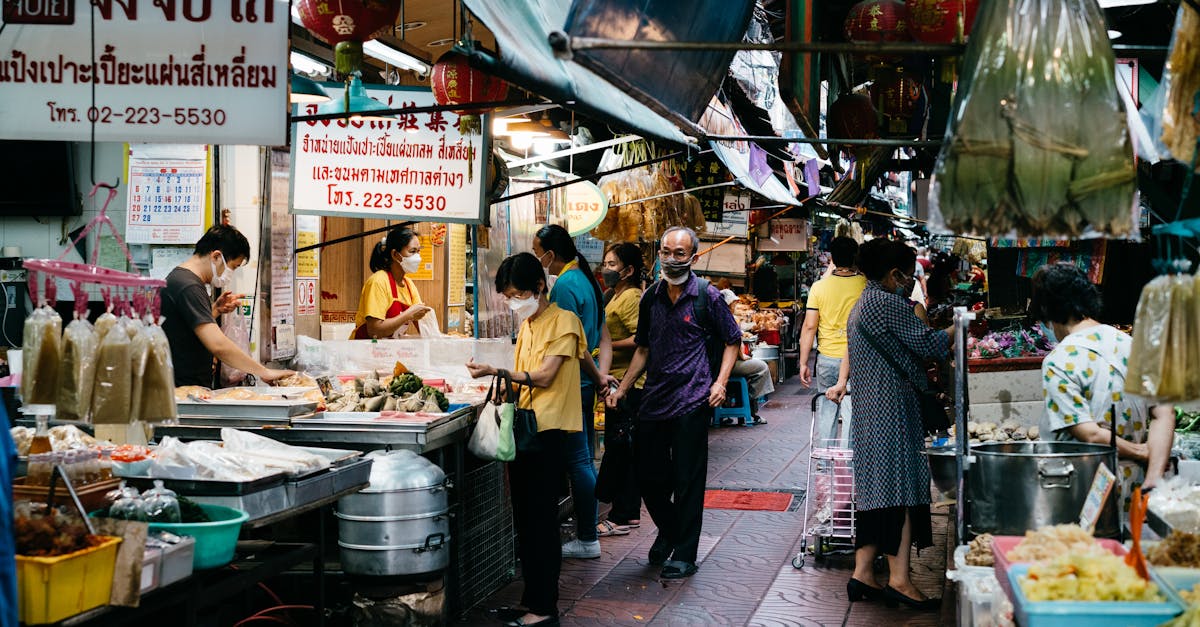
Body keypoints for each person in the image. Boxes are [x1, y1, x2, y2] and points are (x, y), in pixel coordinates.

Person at [465, 252, 602, 627]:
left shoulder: (564, 320)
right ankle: (532, 600)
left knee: (541, 521)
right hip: (525, 428)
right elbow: (584, 358)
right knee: (525, 519)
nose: (513, 302)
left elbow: (543, 376)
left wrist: (498, 370)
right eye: (508, 296)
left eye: (518, 294)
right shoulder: (528, 325)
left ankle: (544, 609)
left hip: (549, 431)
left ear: (540, 287)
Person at [607, 226, 741, 580]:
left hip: (693, 400)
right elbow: (644, 348)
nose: (670, 258)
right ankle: (669, 530)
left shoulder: (707, 296)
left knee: (687, 481)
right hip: (653, 400)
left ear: (694, 257)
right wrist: (624, 387)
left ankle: (685, 552)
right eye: (666, 251)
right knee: (649, 478)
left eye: (679, 253)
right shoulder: (650, 296)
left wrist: (721, 382)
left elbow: (732, 340)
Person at [841, 238, 950, 610]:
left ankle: (863, 574)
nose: (910, 281)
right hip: (892, 412)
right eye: (907, 274)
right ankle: (901, 581)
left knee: (875, 494)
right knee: (900, 493)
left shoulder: (863, 303)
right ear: (894, 274)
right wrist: (962, 328)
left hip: (870, 412)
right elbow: (930, 345)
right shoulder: (887, 303)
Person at [1029, 263, 1174, 496]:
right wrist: (1153, 478)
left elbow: (1090, 433)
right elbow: (1164, 411)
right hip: (1136, 489)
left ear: (1047, 310)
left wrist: (1141, 452)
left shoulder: (1058, 360)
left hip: (1083, 488)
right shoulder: (1134, 345)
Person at [531, 224, 616, 559]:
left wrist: (596, 377)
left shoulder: (566, 284)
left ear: (550, 254)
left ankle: (586, 536)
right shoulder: (584, 277)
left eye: (538, 251)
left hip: (572, 383)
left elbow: (573, 344)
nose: (538, 257)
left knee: (579, 461)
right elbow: (602, 335)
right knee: (581, 458)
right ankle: (585, 532)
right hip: (585, 380)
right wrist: (601, 375)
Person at [162, 225, 293, 387]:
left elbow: (186, 329)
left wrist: (215, 310)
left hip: (186, 387)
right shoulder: (188, 286)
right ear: (216, 256)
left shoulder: (183, 280)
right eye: (233, 266)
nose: (231, 273)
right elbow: (218, 345)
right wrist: (264, 372)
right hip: (182, 391)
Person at [596, 243, 646, 532]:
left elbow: (640, 339)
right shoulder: (613, 295)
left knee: (623, 448)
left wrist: (606, 346)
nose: (607, 269)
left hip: (629, 383)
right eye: (605, 263)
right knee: (619, 445)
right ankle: (623, 511)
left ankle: (623, 514)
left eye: (612, 264)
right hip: (614, 380)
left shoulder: (631, 298)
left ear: (628, 270)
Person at [799, 236, 866, 443]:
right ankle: (849, 462)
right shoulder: (865, 285)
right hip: (857, 359)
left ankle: (824, 464)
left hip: (826, 358)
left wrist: (803, 363)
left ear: (833, 258)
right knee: (852, 411)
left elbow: (810, 326)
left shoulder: (819, 287)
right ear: (855, 257)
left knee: (827, 409)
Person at [351, 228, 433, 339]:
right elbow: (374, 331)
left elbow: (423, 326)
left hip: (390, 352)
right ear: (395, 254)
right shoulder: (378, 281)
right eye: (412, 251)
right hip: (366, 351)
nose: (418, 257)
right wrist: (408, 315)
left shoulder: (409, 285)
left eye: (418, 251)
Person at [720, 290, 774, 425]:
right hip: (728, 365)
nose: (735, 306)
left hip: (720, 363)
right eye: (733, 303)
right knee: (762, 367)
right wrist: (742, 356)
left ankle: (747, 406)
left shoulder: (719, 317)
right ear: (729, 304)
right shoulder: (728, 318)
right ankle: (746, 402)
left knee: (752, 372)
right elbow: (733, 342)